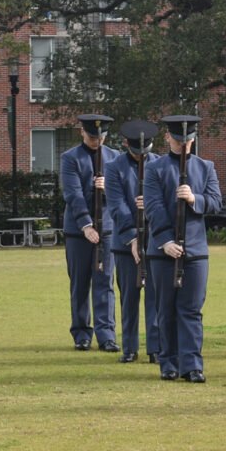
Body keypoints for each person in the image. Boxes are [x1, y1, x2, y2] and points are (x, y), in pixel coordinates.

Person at [144, 114, 223, 383]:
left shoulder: (206, 167)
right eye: (178, 140)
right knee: (166, 309)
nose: (183, 145)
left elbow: (215, 202)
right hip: (163, 250)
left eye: (187, 140)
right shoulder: (155, 169)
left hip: (196, 249)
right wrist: (165, 241)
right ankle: (168, 361)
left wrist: (194, 198)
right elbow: (153, 208)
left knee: (191, 310)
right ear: (168, 138)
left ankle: (191, 365)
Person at [59, 113, 119, 352]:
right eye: (93, 136)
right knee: (80, 283)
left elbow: (122, 194)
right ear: (82, 132)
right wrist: (85, 225)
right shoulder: (70, 158)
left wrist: (108, 189)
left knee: (105, 283)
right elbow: (72, 194)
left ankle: (107, 335)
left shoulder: (115, 158)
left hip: (107, 230)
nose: (97, 141)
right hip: (78, 231)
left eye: (101, 137)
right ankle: (82, 333)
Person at [105, 119, 161, 363]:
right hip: (125, 243)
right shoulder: (114, 167)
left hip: (156, 239)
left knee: (155, 297)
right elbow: (116, 205)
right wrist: (131, 238)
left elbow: (165, 201)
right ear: (126, 144)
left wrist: (148, 207)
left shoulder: (160, 164)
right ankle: (129, 347)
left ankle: (156, 347)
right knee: (129, 297)